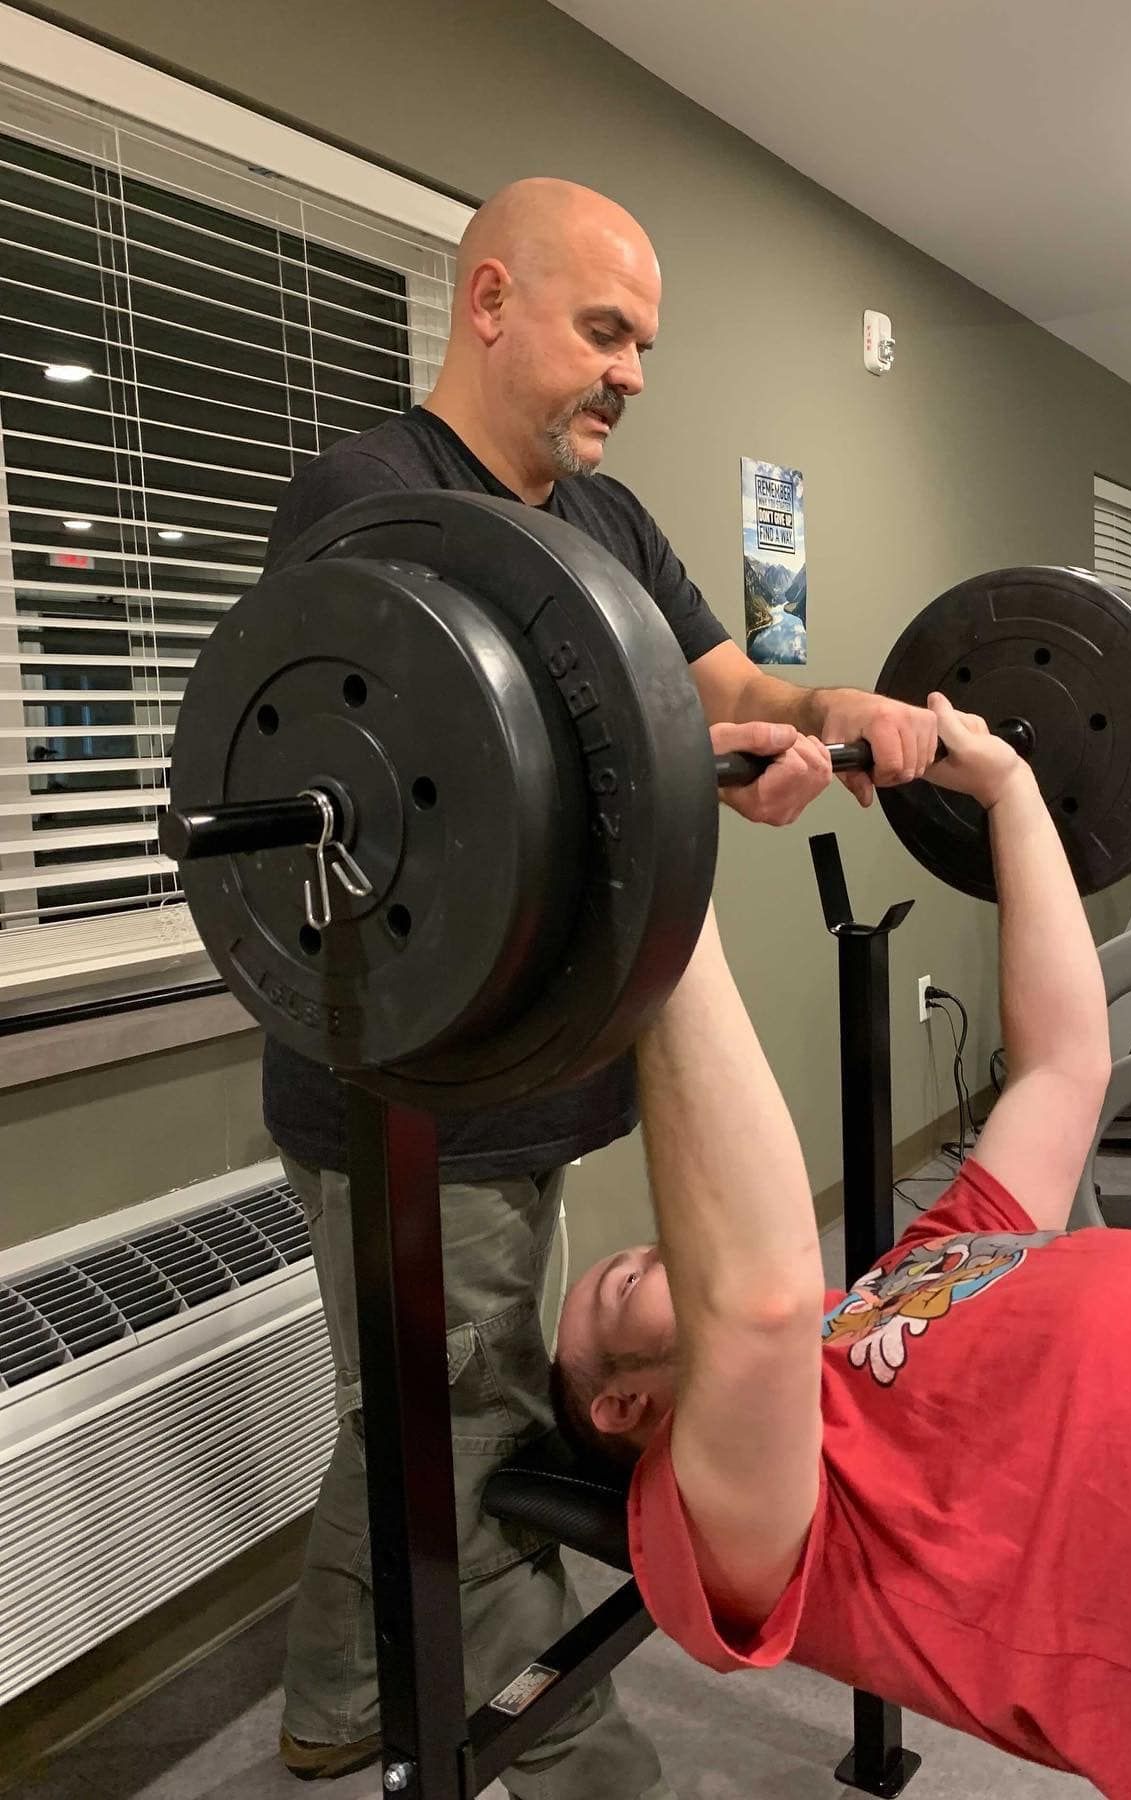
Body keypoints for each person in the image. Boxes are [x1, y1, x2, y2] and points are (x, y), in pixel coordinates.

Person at [266, 176, 938, 1790]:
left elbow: (716, 688)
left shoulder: (610, 526)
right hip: (407, 1078)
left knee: (424, 1407)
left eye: (647, 343)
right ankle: (575, 1763)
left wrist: (815, 705)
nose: (633, 372)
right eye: (606, 330)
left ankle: (325, 1699)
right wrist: (675, 763)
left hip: (557, 1053)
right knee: (464, 1426)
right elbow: (423, 788)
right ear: (490, 302)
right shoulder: (363, 499)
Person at [553, 695, 1131, 1800]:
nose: (658, 1251)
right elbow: (760, 1302)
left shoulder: (917, 1273)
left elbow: (1067, 1066)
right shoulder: (744, 1521)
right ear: (624, 1408)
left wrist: (1012, 791)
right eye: (627, 1277)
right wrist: (657, 847)